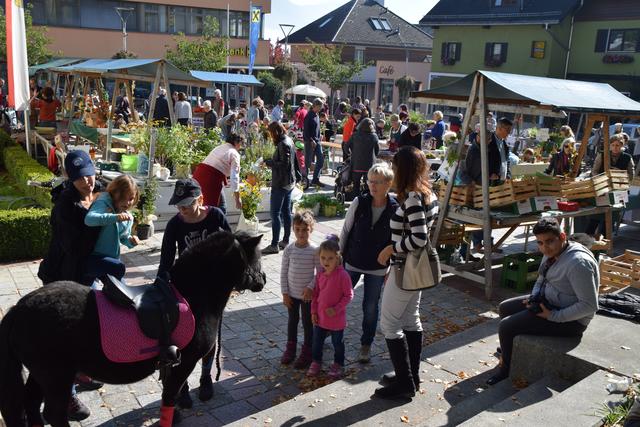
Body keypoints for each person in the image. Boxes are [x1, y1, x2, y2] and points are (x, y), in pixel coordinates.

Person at [486, 218, 599, 385]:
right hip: (550, 302)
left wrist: (553, 315)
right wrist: (534, 298)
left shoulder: (578, 263)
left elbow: (589, 306)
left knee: (506, 326)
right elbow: (541, 278)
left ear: (562, 236)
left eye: (549, 241)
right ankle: (510, 348)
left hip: (571, 322)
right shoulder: (553, 253)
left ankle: (506, 369)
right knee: (505, 307)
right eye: (540, 243)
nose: (544, 248)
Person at [36, 153, 101, 421]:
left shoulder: (95, 193)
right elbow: (75, 249)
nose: (88, 180)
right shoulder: (65, 207)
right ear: (69, 178)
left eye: (90, 173)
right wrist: (98, 225)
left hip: (84, 274)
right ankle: (65, 396)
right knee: (64, 338)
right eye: (80, 177)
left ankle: (80, 371)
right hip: (62, 277)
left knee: (88, 329)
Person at [158, 179, 230, 408]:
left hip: (212, 288)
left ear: (200, 199)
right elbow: (166, 260)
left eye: (186, 205)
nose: (182, 210)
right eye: (178, 206)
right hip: (186, 288)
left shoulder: (216, 216)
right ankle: (182, 385)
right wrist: (161, 286)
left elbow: (231, 246)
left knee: (208, 336)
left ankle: (206, 376)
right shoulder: (174, 225)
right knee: (184, 338)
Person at [375, 146, 439, 399]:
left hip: (405, 267)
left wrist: (391, 249)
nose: (393, 169)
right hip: (416, 270)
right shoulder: (427, 193)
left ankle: (405, 383)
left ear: (404, 169)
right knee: (411, 319)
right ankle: (411, 375)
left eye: (395, 166)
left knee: (389, 324)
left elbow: (420, 238)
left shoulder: (412, 197)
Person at [340, 163, 398, 363]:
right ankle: (328, 333)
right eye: (370, 181)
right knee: (337, 298)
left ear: (388, 184)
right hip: (353, 261)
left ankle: (366, 344)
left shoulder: (395, 208)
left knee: (370, 307)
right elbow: (346, 230)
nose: (372, 186)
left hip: (377, 267)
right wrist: (340, 256)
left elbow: (398, 240)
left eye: (377, 182)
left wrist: (391, 261)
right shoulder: (360, 202)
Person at [307, 236, 354, 378]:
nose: (326, 262)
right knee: (317, 342)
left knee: (337, 343)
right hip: (320, 317)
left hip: (336, 320)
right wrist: (313, 312)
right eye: (323, 258)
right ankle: (316, 361)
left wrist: (336, 309)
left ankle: (338, 364)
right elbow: (315, 295)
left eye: (330, 258)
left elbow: (349, 295)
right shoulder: (320, 274)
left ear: (337, 258)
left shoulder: (343, 275)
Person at [280, 210, 321, 370]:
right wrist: (284, 293)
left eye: (305, 229)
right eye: (297, 229)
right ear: (293, 229)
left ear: (311, 229)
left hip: (307, 297)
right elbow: (283, 272)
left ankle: (307, 351)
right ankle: (290, 348)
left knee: (307, 323)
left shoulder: (315, 250)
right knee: (292, 321)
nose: (301, 233)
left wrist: (311, 287)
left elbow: (320, 274)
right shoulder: (289, 249)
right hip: (291, 294)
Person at [84, 174, 139, 284]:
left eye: (131, 199)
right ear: (114, 193)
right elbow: (89, 219)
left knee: (122, 293)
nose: (128, 203)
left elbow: (123, 237)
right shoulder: (104, 202)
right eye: (123, 198)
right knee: (119, 269)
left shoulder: (128, 217)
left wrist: (131, 241)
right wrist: (115, 217)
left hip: (109, 259)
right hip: (91, 257)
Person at [262, 122, 300, 254]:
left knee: (275, 214)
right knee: (286, 212)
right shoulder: (288, 140)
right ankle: (285, 240)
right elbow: (292, 163)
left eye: (271, 134)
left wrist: (269, 162)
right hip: (288, 182)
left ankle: (274, 245)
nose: (271, 137)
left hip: (281, 183)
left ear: (275, 132)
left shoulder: (283, 144)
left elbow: (284, 164)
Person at [193, 133, 243, 213]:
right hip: (211, 179)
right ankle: (215, 224)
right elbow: (234, 177)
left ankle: (218, 223)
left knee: (218, 207)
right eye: (241, 143)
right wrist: (237, 199)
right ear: (237, 142)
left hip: (198, 175)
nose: (241, 146)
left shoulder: (219, 147)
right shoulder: (234, 153)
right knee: (212, 209)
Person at [345, 118, 379, 195]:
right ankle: (367, 201)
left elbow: (346, 146)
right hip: (369, 165)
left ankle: (356, 201)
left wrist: (349, 154)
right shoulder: (374, 136)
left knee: (356, 184)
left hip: (357, 164)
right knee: (368, 185)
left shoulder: (355, 135)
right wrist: (374, 157)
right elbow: (377, 150)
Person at [303, 98, 325, 187]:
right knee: (308, 162)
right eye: (320, 107)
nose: (321, 108)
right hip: (309, 142)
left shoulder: (317, 114)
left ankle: (315, 179)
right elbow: (306, 131)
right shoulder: (309, 116)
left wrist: (320, 135)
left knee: (321, 160)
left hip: (317, 141)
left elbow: (317, 128)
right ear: (315, 106)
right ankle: (305, 181)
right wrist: (311, 140)